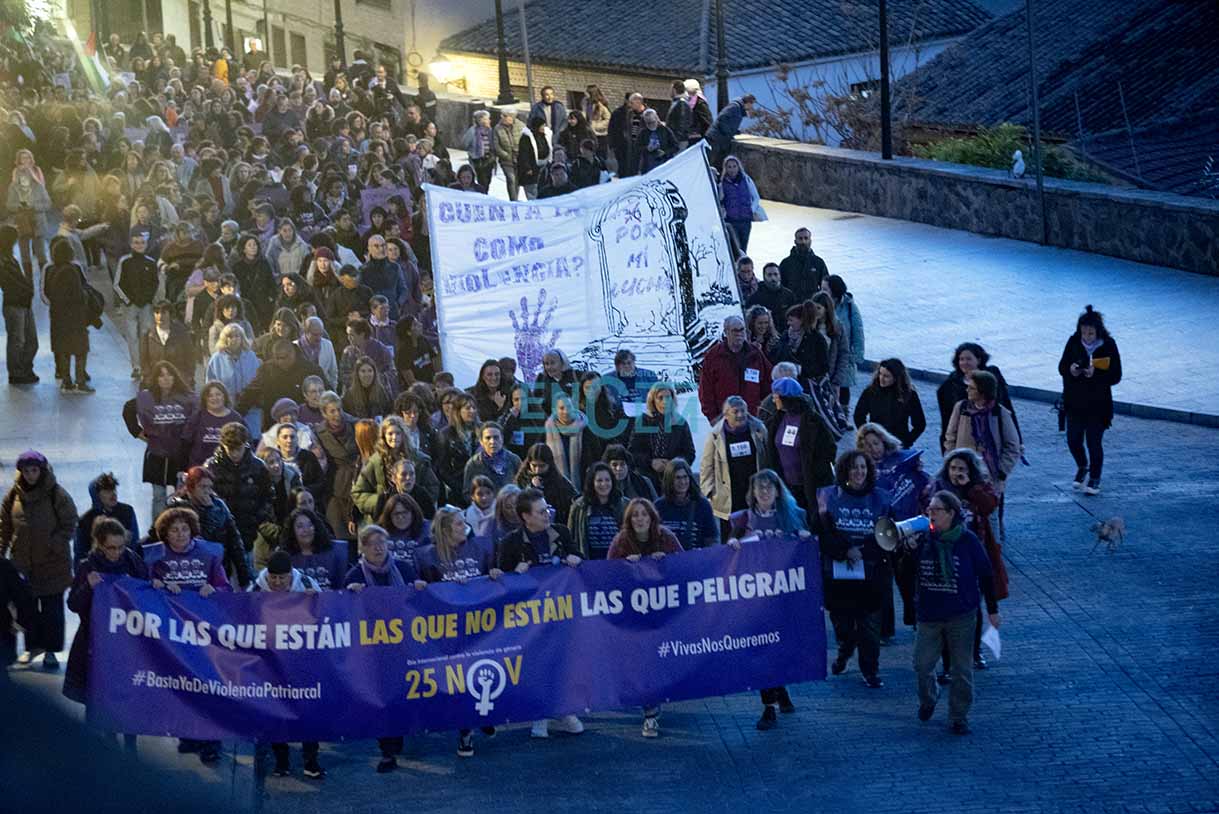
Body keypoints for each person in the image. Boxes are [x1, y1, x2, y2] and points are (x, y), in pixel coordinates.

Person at [411, 506, 501, 757]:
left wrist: (494, 574)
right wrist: (437, 585)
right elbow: (424, 592)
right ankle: (465, 733)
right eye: (460, 524)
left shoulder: (480, 547)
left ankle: (482, 716)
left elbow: (491, 575)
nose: (466, 527)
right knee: (460, 680)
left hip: (480, 624)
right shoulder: (427, 556)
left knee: (482, 673)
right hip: (449, 630)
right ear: (445, 530)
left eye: (464, 522)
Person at [494, 488, 584, 738]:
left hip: (561, 612)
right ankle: (540, 713)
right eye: (541, 511)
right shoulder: (510, 542)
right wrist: (513, 573)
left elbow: (580, 557)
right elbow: (499, 580)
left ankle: (565, 709)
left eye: (548, 510)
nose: (547, 515)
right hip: (530, 617)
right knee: (536, 663)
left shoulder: (561, 533)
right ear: (526, 517)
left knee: (562, 662)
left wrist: (575, 559)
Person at [913, 491, 1001, 735]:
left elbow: (985, 574)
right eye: (929, 509)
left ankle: (958, 716)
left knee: (961, 669)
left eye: (936, 510)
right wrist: (906, 550)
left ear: (951, 514)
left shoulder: (968, 541)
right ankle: (929, 698)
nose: (930, 514)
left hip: (961, 615)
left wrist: (992, 610)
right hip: (929, 615)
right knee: (922, 664)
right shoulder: (923, 539)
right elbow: (907, 572)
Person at [726, 469, 808, 728]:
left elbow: (805, 552)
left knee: (780, 648)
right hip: (756, 599)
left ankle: (780, 688)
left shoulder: (794, 517)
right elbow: (728, 548)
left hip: (784, 597)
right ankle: (768, 706)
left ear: (777, 490)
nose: (764, 492)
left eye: (768, 487)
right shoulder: (744, 519)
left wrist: (804, 540)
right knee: (762, 648)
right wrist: (732, 544)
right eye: (759, 488)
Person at [920, 448, 1007, 679]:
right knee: (948, 610)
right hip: (943, 552)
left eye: (962, 469)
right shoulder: (937, 488)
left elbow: (990, 506)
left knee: (972, 606)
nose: (957, 473)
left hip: (971, 551)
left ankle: (975, 651)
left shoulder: (978, 488)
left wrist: (971, 488)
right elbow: (924, 508)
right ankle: (947, 663)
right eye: (953, 468)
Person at [817, 450, 893, 689]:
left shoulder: (881, 498)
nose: (859, 472)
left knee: (870, 627)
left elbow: (889, 536)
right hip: (839, 578)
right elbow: (822, 533)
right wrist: (844, 551)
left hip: (872, 575)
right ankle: (844, 650)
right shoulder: (829, 497)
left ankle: (870, 671)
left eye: (863, 467)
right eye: (853, 468)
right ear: (844, 471)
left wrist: (863, 552)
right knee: (844, 626)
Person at [343, 524, 417, 772]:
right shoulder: (354, 576)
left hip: (404, 645)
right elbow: (343, 610)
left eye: (382, 542)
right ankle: (387, 750)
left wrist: (421, 587)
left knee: (402, 694)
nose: (378, 548)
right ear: (362, 547)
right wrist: (349, 594)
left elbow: (420, 601)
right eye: (372, 543)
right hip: (373, 649)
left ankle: (398, 736)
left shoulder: (404, 570)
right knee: (382, 697)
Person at [607, 498, 683, 737]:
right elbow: (606, 576)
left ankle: (661, 697)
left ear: (652, 518)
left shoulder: (667, 538)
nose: (640, 519)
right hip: (634, 615)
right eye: (635, 515)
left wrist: (668, 563)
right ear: (629, 521)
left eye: (644, 515)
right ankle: (650, 715)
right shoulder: (620, 542)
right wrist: (623, 566)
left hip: (665, 613)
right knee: (642, 661)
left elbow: (687, 567)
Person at [249, 550, 325, 778]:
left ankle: (311, 760)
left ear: (291, 575)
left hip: (303, 660)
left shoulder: (307, 583)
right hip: (272, 660)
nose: (278, 583)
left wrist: (316, 600)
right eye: (273, 578)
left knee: (308, 711)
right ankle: (281, 760)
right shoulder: (257, 587)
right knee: (276, 710)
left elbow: (327, 616)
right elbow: (241, 614)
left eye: (282, 578)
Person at [1, 450, 78, 670]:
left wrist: (54, 543)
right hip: (23, 563)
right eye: (26, 471)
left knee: (52, 609)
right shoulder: (13, 496)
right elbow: (5, 524)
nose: (30, 475)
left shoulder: (56, 494)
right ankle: (32, 647)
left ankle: (51, 650)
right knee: (28, 607)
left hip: (53, 563)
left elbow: (70, 522)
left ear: (42, 470)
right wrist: (3, 550)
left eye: (34, 470)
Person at [64, 517, 149, 704]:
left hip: (127, 640)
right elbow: (73, 604)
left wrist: (148, 586)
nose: (117, 552)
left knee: (128, 696)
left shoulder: (132, 560)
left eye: (121, 546)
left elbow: (147, 592)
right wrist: (88, 586)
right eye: (111, 548)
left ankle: (129, 733)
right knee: (97, 695)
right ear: (100, 545)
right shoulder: (88, 566)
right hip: (95, 641)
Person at [1058, 305, 1122, 495]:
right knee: (1073, 440)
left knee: (1094, 442)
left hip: (1098, 404)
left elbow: (1116, 375)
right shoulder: (1073, 342)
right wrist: (1072, 370)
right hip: (1075, 402)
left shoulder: (1108, 345)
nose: (1087, 336)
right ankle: (1082, 466)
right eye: (1084, 332)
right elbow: (1062, 367)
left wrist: (1097, 373)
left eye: (1091, 333)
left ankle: (1095, 477)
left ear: (1098, 331)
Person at [127, 361, 196, 518]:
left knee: (182, 496)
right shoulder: (147, 397)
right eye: (161, 375)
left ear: (175, 376)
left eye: (169, 374)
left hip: (180, 455)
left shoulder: (188, 397)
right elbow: (128, 410)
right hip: (156, 455)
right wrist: (138, 433)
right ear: (156, 379)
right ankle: (158, 531)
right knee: (158, 496)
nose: (166, 378)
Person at [165, 467, 251, 589]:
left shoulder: (219, 506)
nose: (207, 492)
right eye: (202, 487)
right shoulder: (178, 507)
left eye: (209, 487)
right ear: (191, 488)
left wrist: (245, 576)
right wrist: (208, 512)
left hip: (217, 569)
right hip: (187, 571)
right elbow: (200, 536)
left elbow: (234, 540)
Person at [765, 377, 836, 512]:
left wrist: (816, 471)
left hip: (809, 487)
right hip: (784, 486)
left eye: (776, 397)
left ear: (784, 398)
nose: (773, 400)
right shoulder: (777, 419)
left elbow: (830, 449)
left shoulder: (813, 421)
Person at [944, 370, 1020, 493]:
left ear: (983, 391)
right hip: (962, 472)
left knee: (986, 508)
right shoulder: (962, 408)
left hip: (989, 476)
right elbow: (950, 437)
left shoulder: (1000, 414)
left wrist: (1001, 471)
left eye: (972, 388)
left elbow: (1012, 446)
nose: (967, 390)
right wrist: (952, 461)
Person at [701, 395, 770, 531]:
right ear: (726, 415)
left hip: (754, 491)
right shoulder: (715, 435)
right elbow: (707, 465)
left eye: (743, 411)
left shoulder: (759, 429)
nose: (740, 415)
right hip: (728, 494)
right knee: (731, 536)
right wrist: (709, 492)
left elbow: (768, 457)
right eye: (735, 412)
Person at [935, 342, 1019, 451]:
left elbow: (1007, 406)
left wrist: (1018, 441)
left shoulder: (993, 378)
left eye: (969, 359)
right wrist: (947, 452)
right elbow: (947, 421)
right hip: (966, 442)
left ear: (979, 360)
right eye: (961, 359)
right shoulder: (949, 386)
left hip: (994, 436)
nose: (964, 363)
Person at [42, 237, 95, 392]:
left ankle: (66, 381)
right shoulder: (71, 270)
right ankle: (80, 381)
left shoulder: (50, 270)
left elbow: (46, 291)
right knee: (80, 349)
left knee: (63, 350)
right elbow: (78, 294)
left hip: (57, 317)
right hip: (74, 317)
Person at [699, 314, 772, 422]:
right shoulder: (714, 356)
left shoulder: (755, 354)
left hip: (752, 419)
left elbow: (769, 382)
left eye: (741, 330)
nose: (739, 334)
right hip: (725, 420)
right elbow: (706, 391)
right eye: (735, 331)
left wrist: (763, 413)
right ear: (726, 332)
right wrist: (714, 418)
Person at [629, 383, 695, 491]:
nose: (665, 402)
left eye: (668, 397)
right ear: (653, 400)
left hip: (674, 480)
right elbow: (632, 452)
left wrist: (673, 464)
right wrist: (651, 462)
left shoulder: (680, 423)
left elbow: (690, 454)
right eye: (660, 398)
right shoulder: (643, 421)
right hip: (646, 479)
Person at [854, 358, 926, 448]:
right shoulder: (871, 391)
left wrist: (907, 441)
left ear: (896, 378)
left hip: (898, 443)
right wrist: (867, 436)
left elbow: (920, 424)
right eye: (880, 374)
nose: (881, 379)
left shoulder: (909, 395)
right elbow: (859, 415)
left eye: (886, 376)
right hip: (875, 443)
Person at [567, 462, 629, 560]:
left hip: (618, 561)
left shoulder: (624, 504)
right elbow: (570, 537)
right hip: (589, 562)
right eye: (599, 480)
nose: (604, 484)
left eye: (607, 480)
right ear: (592, 482)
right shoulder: (579, 506)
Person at [73, 473, 139, 564]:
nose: (113, 494)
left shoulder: (127, 511)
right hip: (97, 568)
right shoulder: (85, 521)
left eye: (114, 489)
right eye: (107, 491)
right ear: (96, 495)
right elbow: (79, 555)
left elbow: (135, 544)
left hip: (125, 565)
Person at [0, 224, 38, 384]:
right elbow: (9, 282)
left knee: (30, 340)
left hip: (23, 302)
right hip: (14, 304)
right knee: (18, 340)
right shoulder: (3, 260)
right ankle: (16, 372)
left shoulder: (9, 258)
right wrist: (27, 289)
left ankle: (25, 368)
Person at [654, 459, 718, 549]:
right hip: (668, 560)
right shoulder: (659, 506)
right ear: (670, 480)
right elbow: (652, 539)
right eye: (678, 478)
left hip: (695, 559)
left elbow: (712, 539)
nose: (683, 482)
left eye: (685, 477)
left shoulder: (703, 505)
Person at [824, 275, 864, 408]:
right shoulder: (820, 304)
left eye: (825, 289)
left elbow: (858, 332)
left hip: (843, 354)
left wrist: (856, 357)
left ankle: (843, 416)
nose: (821, 291)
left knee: (843, 387)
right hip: (826, 354)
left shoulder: (850, 307)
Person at [514, 444, 579, 525]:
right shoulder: (522, 478)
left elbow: (574, 501)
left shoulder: (559, 481)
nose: (537, 470)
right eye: (534, 466)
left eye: (542, 466)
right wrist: (531, 487)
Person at [544, 394, 599, 488]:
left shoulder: (585, 428)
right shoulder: (548, 429)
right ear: (555, 410)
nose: (566, 411)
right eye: (561, 408)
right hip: (557, 486)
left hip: (584, 483)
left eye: (569, 407)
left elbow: (596, 454)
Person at [463, 421, 522, 496]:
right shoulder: (474, 463)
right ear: (481, 441)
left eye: (496, 437)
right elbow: (467, 492)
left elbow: (523, 487)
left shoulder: (514, 460)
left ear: (502, 439)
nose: (492, 441)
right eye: (488, 438)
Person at [205, 323, 261, 402]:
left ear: (242, 338)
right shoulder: (216, 359)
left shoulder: (251, 356)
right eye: (230, 336)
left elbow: (258, 380)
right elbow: (209, 385)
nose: (234, 339)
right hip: (224, 404)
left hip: (249, 404)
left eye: (237, 336)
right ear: (224, 339)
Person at [718, 155, 762, 253]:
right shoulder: (722, 184)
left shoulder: (747, 180)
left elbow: (755, 197)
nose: (732, 169)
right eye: (729, 167)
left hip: (746, 220)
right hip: (731, 221)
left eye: (734, 166)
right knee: (735, 249)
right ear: (725, 169)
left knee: (743, 247)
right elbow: (720, 201)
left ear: (738, 167)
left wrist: (751, 210)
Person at [704, 94, 755, 169]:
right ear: (748, 103)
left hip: (720, 138)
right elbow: (722, 118)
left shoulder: (738, 109)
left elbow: (731, 123)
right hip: (715, 138)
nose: (751, 107)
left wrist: (735, 131)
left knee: (717, 163)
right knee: (709, 162)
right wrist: (728, 132)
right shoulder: (734, 106)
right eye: (751, 104)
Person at [778, 227, 829, 303]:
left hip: (813, 305)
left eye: (806, 238)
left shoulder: (819, 262)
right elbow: (780, 287)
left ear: (810, 241)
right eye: (800, 239)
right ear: (795, 241)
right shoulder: (785, 263)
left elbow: (826, 286)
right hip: (793, 306)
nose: (803, 242)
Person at [746, 262, 795, 334]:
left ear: (780, 276)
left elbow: (795, 317)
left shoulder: (789, 295)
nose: (773, 278)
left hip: (786, 335)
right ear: (764, 277)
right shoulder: (755, 298)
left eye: (775, 274)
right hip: (763, 338)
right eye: (769, 275)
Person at [634, 109, 677, 175]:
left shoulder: (665, 130)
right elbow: (636, 148)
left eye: (653, 122)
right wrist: (647, 148)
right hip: (648, 165)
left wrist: (665, 152)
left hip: (664, 163)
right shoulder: (643, 132)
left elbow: (675, 146)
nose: (651, 125)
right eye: (648, 123)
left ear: (657, 119)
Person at [517, 116, 551, 200]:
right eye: (542, 125)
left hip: (544, 166)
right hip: (531, 169)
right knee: (532, 191)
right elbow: (523, 154)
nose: (544, 127)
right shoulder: (526, 137)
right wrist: (527, 168)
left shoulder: (545, 135)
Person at [493, 109, 524, 201]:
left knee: (517, 180)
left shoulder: (521, 126)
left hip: (518, 158)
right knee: (511, 178)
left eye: (505, 116)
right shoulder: (497, 128)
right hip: (506, 159)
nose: (502, 118)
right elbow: (496, 145)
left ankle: (515, 198)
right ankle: (513, 200)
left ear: (512, 117)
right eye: (502, 116)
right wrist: (505, 155)